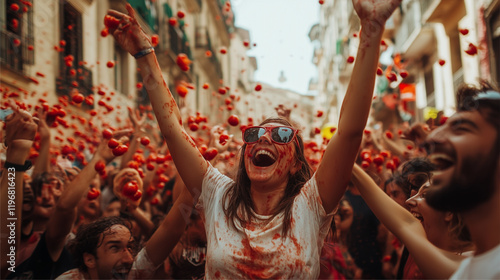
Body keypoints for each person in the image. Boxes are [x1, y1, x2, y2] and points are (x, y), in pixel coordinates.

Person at [106, 0, 401, 278]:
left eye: (281, 134)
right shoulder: (217, 195)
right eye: (255, 133)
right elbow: (172, 130)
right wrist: (145, 54)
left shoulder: (311, 205)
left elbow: (349, 132)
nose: (264, 139)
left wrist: (371, 29)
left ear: (297, 164)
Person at [351, 80, 500, 278]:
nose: (432, 138)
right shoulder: (467, 271)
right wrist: (346, 158)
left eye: (462, 128)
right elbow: (406, 226)